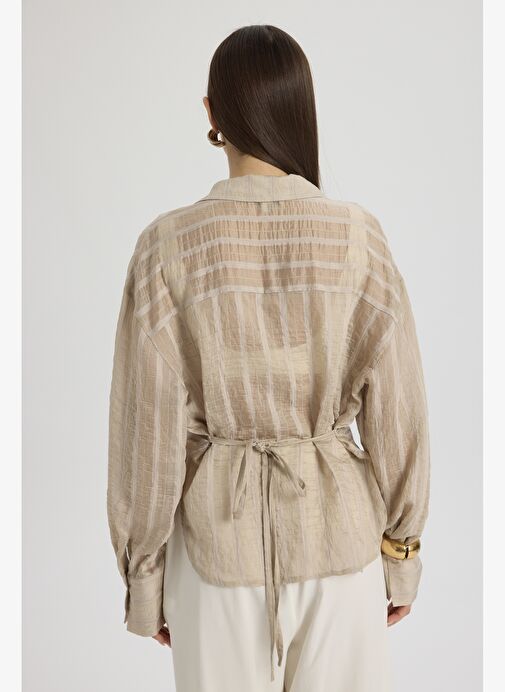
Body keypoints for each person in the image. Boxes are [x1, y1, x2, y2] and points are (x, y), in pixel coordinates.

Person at [107, 24, 430, 692]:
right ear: (299, 107)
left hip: (212, 555)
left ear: (211, 113)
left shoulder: (165, 247)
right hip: (341, 547)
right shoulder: (358, 237)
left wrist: (146, 578)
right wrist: (400, 553)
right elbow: (400, 412)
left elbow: (146, 433)